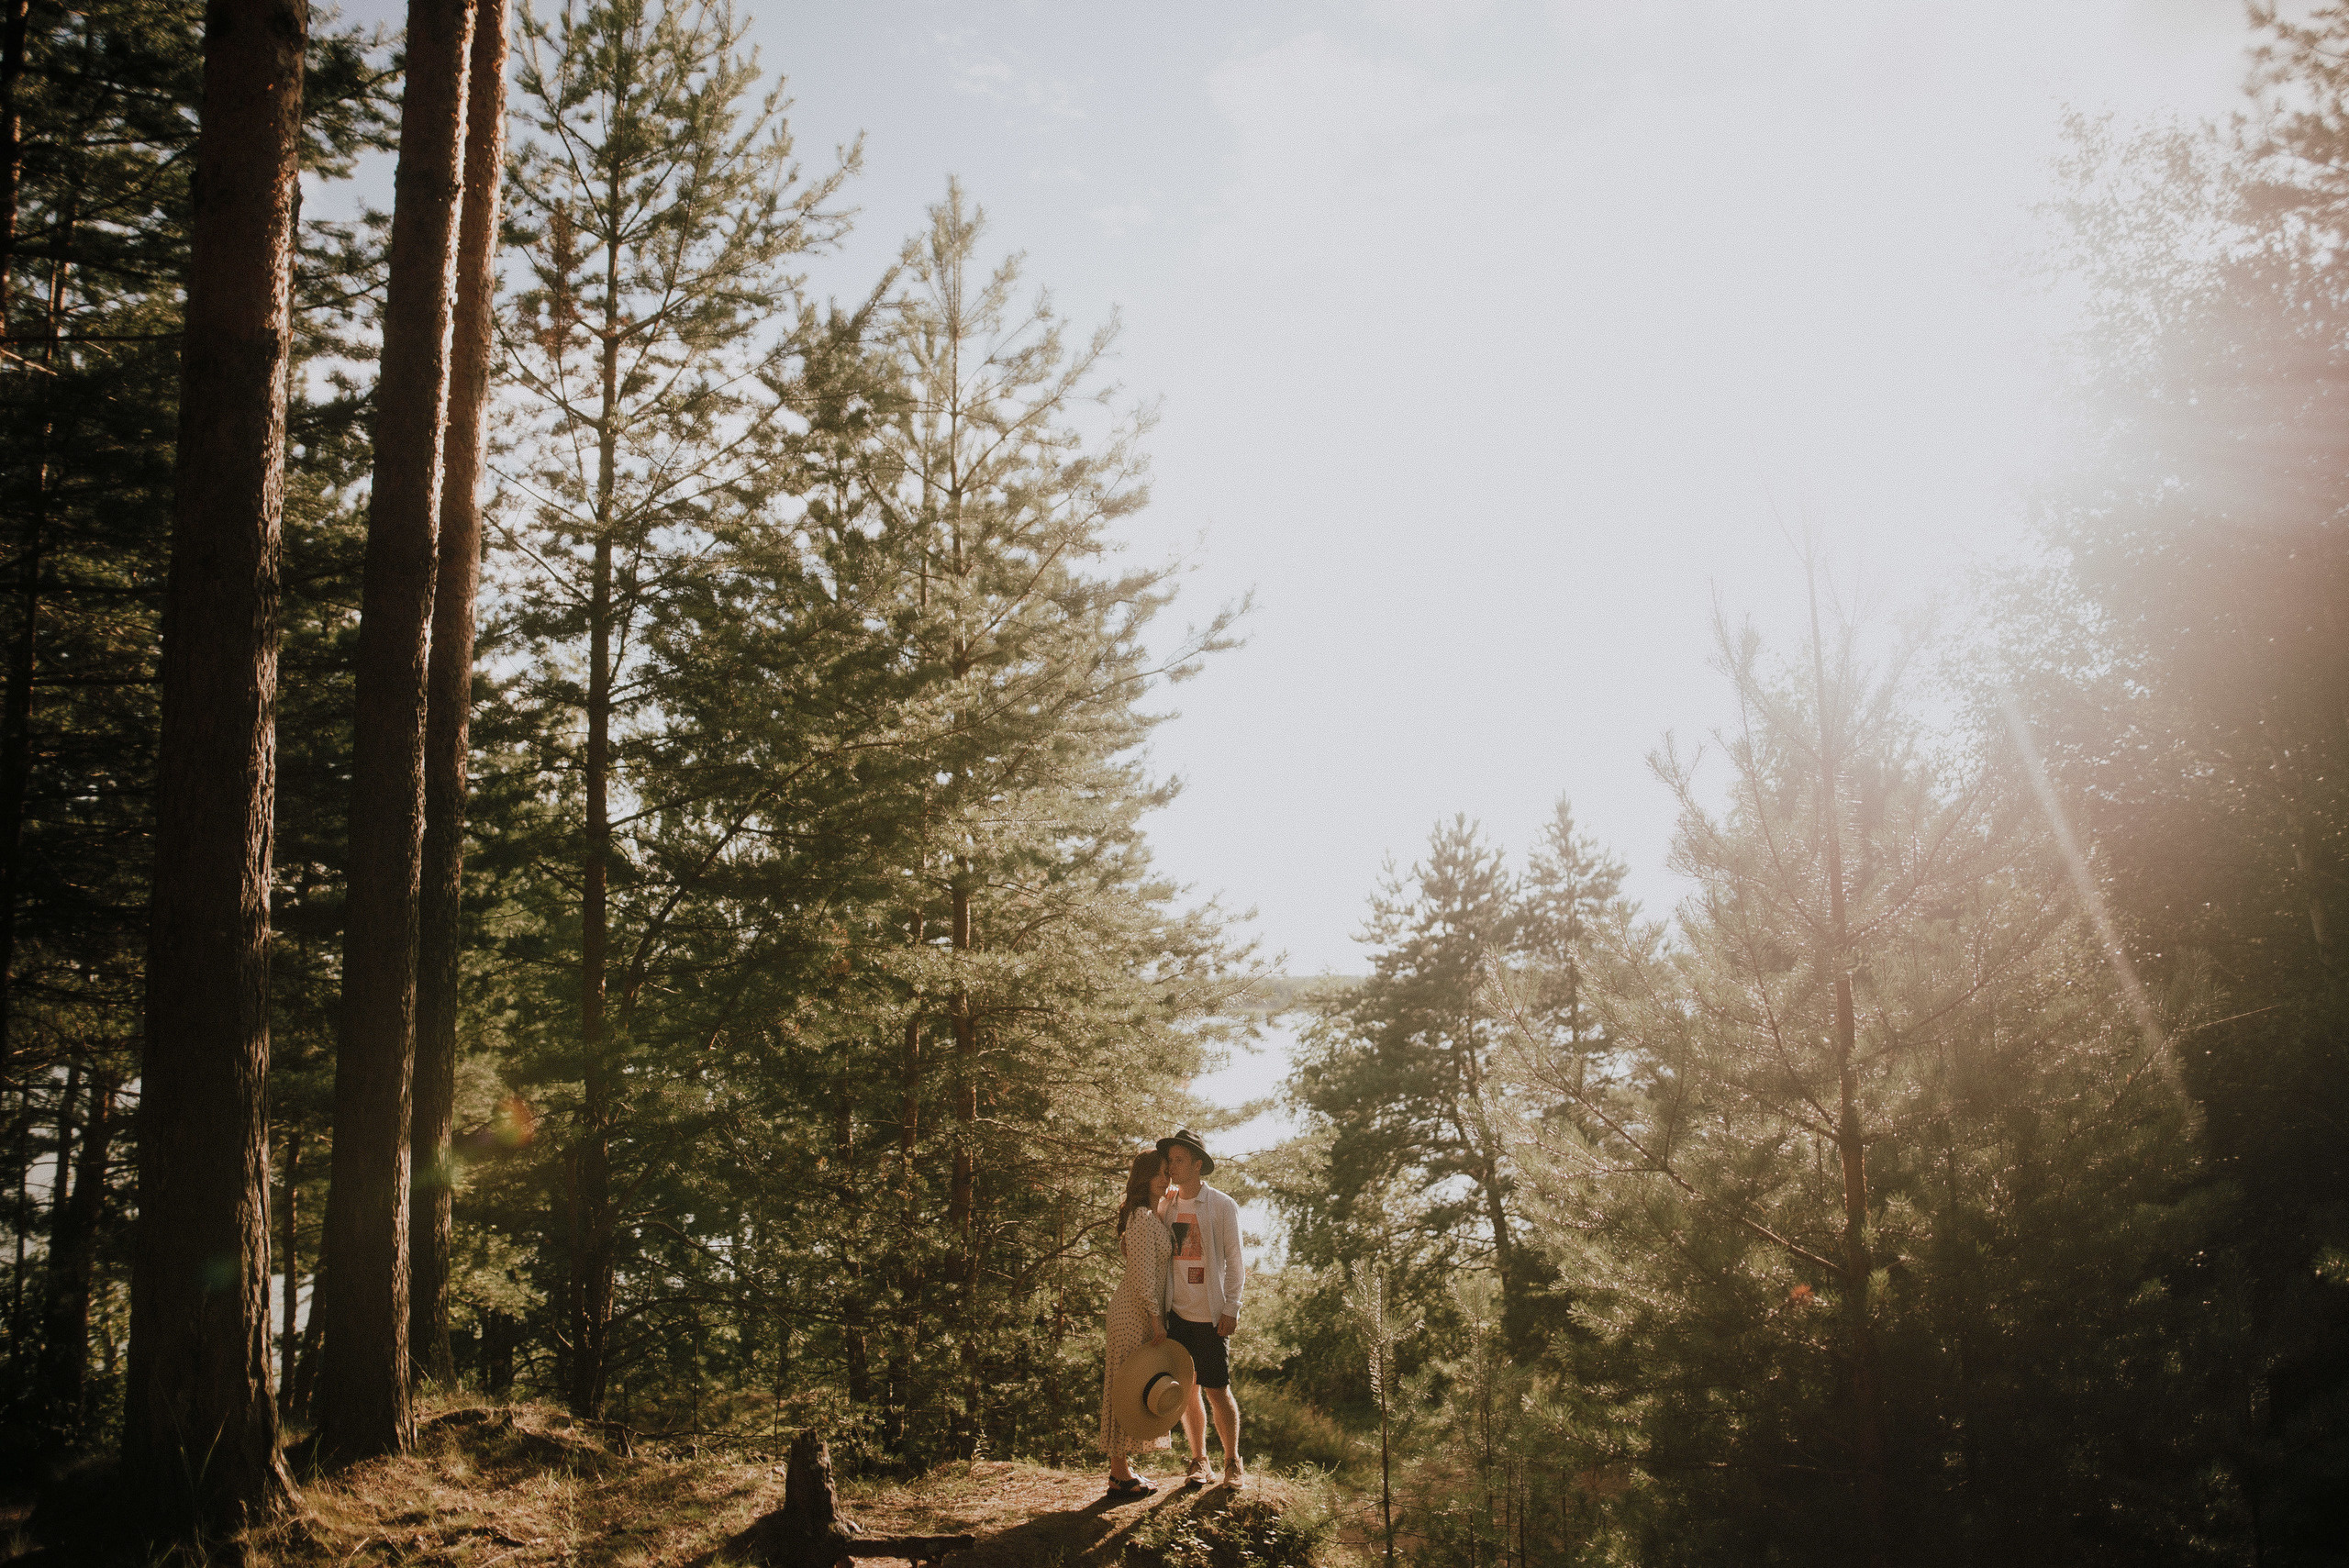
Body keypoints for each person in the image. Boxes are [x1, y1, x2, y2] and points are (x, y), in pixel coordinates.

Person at [1157, 1127, 1245, 1489]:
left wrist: (1232, 1307)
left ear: (1197, 1164)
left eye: (1179, 1160)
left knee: (1217, 1389)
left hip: (1210, 1314)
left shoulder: (1222, 1205)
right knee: (1187, 1390)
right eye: (1170, 1160)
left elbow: (1236, 1260)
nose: (1172, 1166)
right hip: (1175, 1313)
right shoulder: (1167, 1205)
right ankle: (1198, 1461)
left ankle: (1232, 1463)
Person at [1100, 1149, 1174, 1496]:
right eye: (1158, 1173)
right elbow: (1144, 1277)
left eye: (1167, 1172)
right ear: (1144, 1178)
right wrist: (1157, 1321)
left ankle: (1123, 1469)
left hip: (1140, 1312)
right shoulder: (1143, 1218)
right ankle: (1118, 1474)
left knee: (1130, 1387)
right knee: (1124, 1389)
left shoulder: (1150, 1215)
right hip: (1133, 1313)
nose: (1165, 1178)